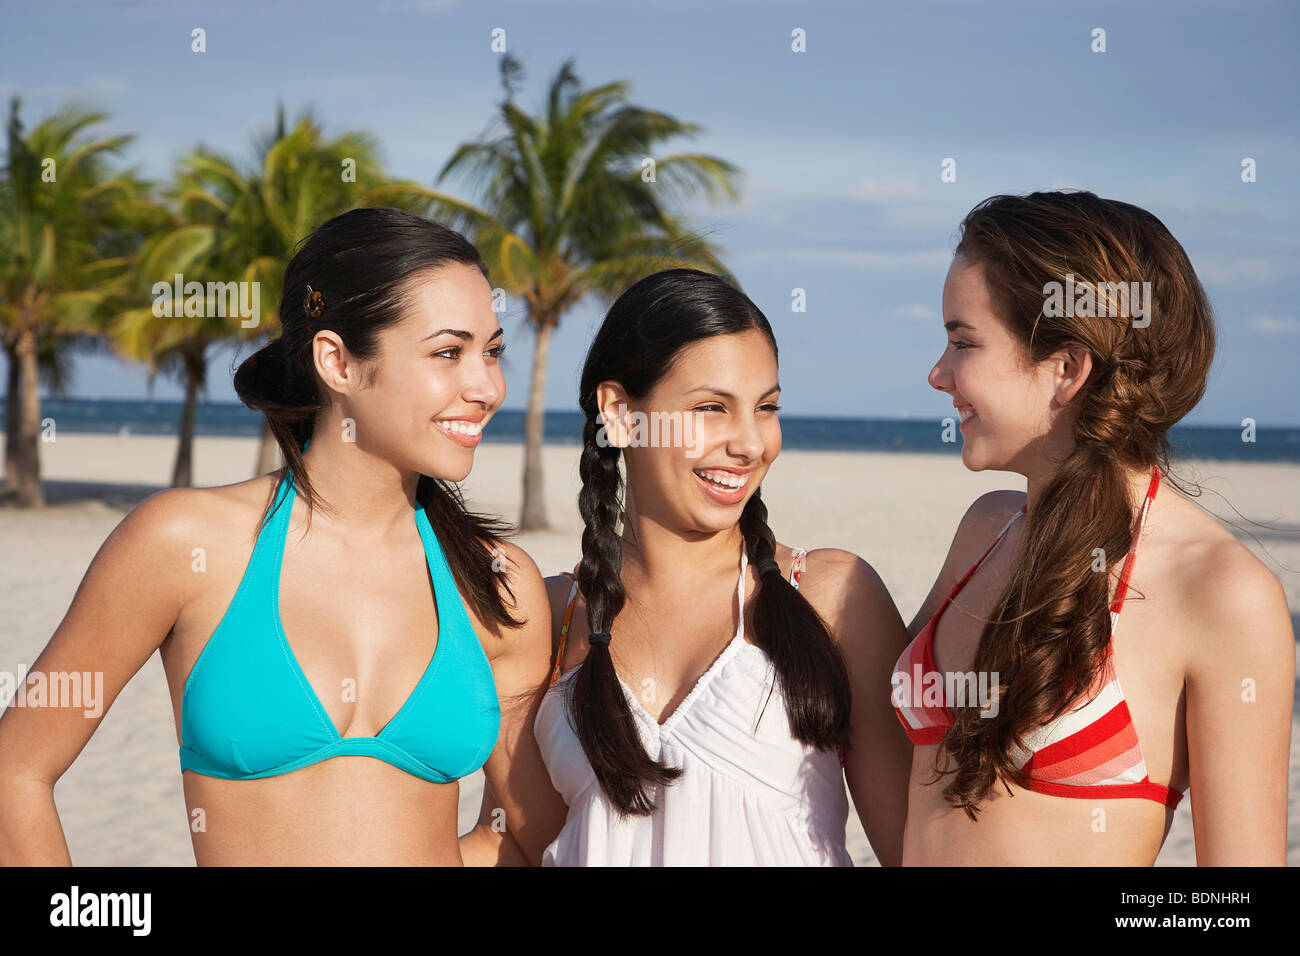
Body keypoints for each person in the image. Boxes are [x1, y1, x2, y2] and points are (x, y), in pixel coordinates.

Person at [0, 207, 565, 865]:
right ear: (338, 362)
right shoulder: (185, 544)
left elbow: (526, 836)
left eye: (492, 352)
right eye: (448, 352)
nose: (486, 386)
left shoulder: (498, 583)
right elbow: (17, 772)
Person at [897, 190, 1293, 864]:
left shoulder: (1221, 592)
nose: (938, 374)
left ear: (1067, 368)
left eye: (963, 341)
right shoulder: (987, 529)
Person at [468, 268, 912, 865]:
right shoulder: (546, 617)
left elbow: (918, 847)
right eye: (712, 407)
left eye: (766, 407)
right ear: (620, 414)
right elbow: (507, 845)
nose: (751, 443)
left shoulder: (832, 597)